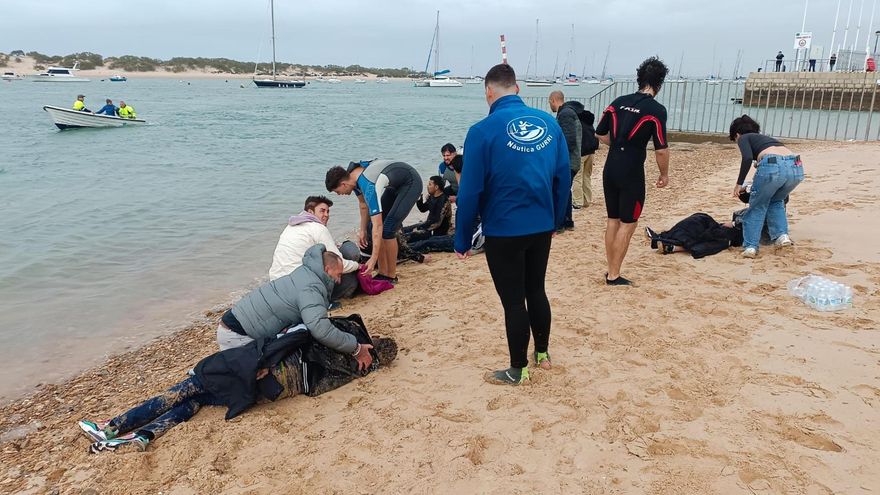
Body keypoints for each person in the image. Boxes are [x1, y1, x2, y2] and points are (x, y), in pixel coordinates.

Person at [77, 315, 398, 453]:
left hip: (268, 372)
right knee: (198, 400)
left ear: (371, 343)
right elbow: (314, 388)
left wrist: (264, 359)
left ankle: (112, 426)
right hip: (272, 392)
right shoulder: (357, 374)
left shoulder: (344, 339)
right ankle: (146, 434)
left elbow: (303, 335)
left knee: (191, 385)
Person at [455, 63, 570, 385]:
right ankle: (543, 354)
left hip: (504, 229)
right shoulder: (549, 123)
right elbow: (563, 178)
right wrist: (556, 221)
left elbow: (470, 193)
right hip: (541, 224)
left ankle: (517, 370)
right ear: (517, 89)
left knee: (513, 301)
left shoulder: (482, 131)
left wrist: (462, 240)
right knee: (536, 289)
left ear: (489, 93)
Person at [216, 245, 374, 372]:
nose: (339, 280)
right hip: (238, 334)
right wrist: (356, 349)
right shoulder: (311, 288)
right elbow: (320, 329)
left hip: (234, 321)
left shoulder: (305, 273)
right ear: (327, 270)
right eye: (338, 275)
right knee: (269, 375)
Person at [595, 56, 670, 286]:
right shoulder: (656, 110)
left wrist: (618, 144)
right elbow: (661, 149)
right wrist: (664, 174)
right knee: (628, 222)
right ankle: (614, 274)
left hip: (611, 167)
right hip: (631, 170)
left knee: (613, 220)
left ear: (639, 79)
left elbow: (599, 133)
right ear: (659, 83)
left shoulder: (618, 102)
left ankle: (611, 270)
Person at [325, 160, 423, 283]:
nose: (340, 194)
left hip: (411, 182)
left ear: (343, 184)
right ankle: (382, 272)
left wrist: (373, 258)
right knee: (370, 227)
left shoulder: (367, 184)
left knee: (388, 230)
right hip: (395, 185)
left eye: (337, 191)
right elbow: (363, 205)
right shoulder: (353, 180)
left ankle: (391, 276)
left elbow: (378, 224)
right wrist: (363, 230)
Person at [729, 115, 804, 258]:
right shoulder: (768, 140)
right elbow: (776, 161)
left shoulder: (744, 138)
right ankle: (782, 237)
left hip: (773, 165)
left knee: (757, 206)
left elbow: (746, 158)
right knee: (776, 201)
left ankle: (751, 247)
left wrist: (738, 184)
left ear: (737, 134)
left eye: (735, 139)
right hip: (796, 166)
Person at [269, 196, 361, 303]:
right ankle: (327, 299)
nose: (326, 215)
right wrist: (358, 266)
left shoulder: (291, 226)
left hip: (276, 286)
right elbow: (341, 265)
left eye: (328, 211)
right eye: (322, 211)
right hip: (301, 289)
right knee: (351, 279)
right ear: (310, 212)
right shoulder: (318, 228)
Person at [548, 90, 581, 230]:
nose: (550, 105)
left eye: (550, 102)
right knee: (565, 190)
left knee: (561, 190)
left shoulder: (565, 114)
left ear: (554, 100)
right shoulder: (568, 112)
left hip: (568, 160)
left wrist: (556, 154)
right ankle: (567, 221)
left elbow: (569, 140)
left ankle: (562, 222)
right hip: (572, 159)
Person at [645, 213, 743, 258]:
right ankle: (669, 244)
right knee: (700, 220)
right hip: (729, 231)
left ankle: (668, 242)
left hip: (733, 234)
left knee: (703, 232)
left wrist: (735, 223)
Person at [403, 175, 452, 242]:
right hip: (428, 225)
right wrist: (419, 200)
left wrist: (420, 228)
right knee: (406, 229)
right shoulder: (432, 196)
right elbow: (423, 209)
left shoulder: (443, 201)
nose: (427, 186)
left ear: (436, 187)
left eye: (430, 184)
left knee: (409, 236)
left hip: (437, 232)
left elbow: (437, 222)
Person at [573, 106, 599, 209]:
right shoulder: (589, 124)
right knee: (586, 176)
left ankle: (577, 201)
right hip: (591, 152)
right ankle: (587, 200)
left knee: (577, 178)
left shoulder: (577, 124)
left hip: (581, 153)